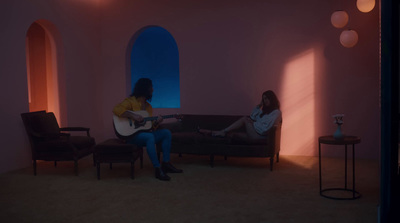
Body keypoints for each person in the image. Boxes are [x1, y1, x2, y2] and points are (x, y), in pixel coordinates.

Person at [113, 78, 182, 181]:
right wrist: (133, 116)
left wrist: (157, 122)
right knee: (149, 137)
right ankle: (157, 169)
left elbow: (148, 126)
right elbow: (116, 109)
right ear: (145, 88)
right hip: (131, 136)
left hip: (143, 135)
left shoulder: (149, 107)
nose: (153, 90)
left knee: (166, 133)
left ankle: (166, 164)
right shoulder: (130, 101)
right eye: (151, 87)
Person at [199, 90, 281, 139]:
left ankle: (222, 132)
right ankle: (212, 132)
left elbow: (265, 129)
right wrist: (260, 105)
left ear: (271, 98)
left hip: (259, 136)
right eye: (263, 99)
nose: (265, 101)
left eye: (266, 98)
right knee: (232, 134)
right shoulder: (265, 112)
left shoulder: (276, 113)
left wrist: (253, 123)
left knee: (244, 119)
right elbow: (252, 116)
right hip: (256, 133)